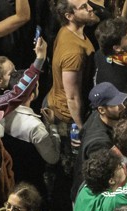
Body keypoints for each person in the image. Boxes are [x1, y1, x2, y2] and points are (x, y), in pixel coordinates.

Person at [48, 0, 101, 132]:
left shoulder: (67, 30)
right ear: (69, 16)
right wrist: (81, 128)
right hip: (67, 117)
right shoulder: (74, 53)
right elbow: (72, 97)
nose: (90, 8)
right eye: (83, 7)